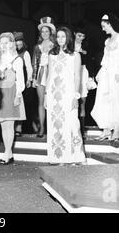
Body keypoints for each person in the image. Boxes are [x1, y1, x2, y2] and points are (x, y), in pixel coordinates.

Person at [45, 26, 86, 165]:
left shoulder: (75, 55)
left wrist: (76, 96)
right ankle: (59, 158)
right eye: (58, 36)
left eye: (63, 36)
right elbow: (49, 75)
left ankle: (76, 156)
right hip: (53, 94)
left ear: (68, 38)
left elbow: (77, 78)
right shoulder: (52, 54)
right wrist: (46, 95)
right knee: (56, 124)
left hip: (68, 94)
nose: (60, 39)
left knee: (73, 123)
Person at [0, 32, 25, 164]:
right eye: (1, 42)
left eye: (7, 42)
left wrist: (18, 95)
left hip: (11, 92)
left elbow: (21, 80)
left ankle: (7, 153)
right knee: (2, 125)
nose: (4, 45)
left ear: (12, 44)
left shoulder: (17, 59)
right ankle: (9, 153)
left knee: (9, 125)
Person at [91, 13, 119, 142]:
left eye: (104, 26)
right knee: (103, 99)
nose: (102, 29)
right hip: (107, 72)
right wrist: (100, 72)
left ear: (110, 24)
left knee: (115, 100)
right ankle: (106, 129)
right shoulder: (107, 41)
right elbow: (106, 59)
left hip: (116, 73)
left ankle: (117, 131)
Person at [32, 17, 56, 138]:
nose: (45, 33)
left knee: (52, 102)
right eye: (43, 31)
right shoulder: (37, 47)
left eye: (47, 31)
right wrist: (34, 78)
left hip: (53, 74)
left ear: (51, 32)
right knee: (41, 102)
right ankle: (42, 127)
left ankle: (54, 128)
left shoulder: (56, 45)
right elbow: (34, 63)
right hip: (41, 74)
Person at [73, 26, 96, 136]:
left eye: (83, 36)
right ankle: (72, 128)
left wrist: (91, 77)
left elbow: (90, 62)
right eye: (79, 35)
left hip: (83, 72)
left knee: (82, 102)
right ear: (74, 34)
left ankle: (81, 130)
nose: (81, 38)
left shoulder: (87, 46)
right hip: (71, 73)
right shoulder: (68, 45)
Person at [13, 31, 35, 136]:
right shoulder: (11, 53)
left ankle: (19, 127)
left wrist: (29, 79)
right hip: (12, 81)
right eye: (15, 42)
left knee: (22, 105)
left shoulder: (25, 53)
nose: (17, 44)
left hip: (22, 80)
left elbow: (29, 67)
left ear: (22, 42)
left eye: (19, 41)